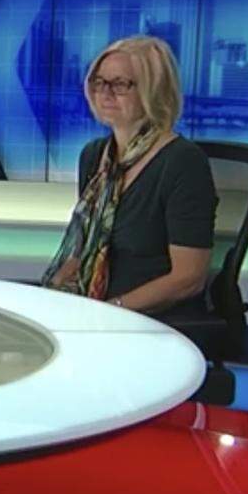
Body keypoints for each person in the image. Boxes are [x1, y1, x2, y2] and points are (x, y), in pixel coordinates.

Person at [42, 35, 216, 318]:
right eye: (99, 82)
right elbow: (84, 249)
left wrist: (111, 311)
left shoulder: (183, 162)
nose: (105, 93)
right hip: (97, 309)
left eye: (121, 84)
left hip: (154, 321)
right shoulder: (95, 156)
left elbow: (188, 279)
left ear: (155, 91)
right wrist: (52, 296)